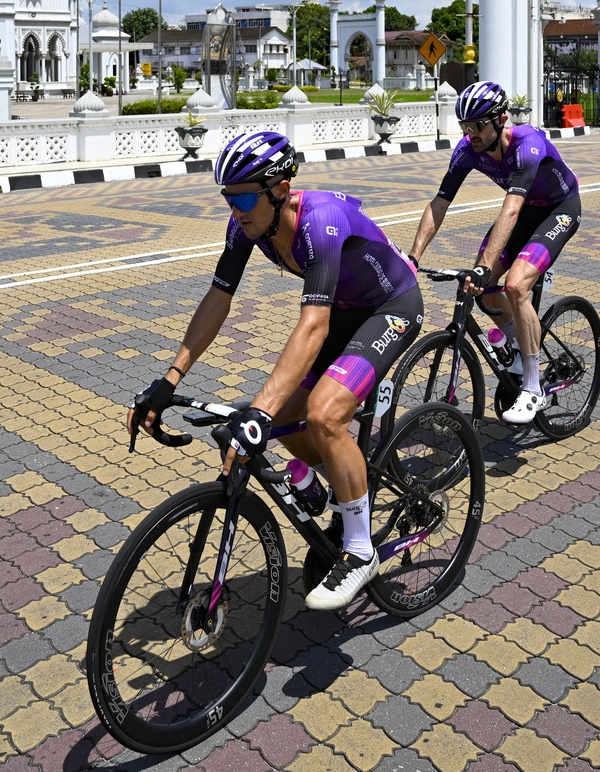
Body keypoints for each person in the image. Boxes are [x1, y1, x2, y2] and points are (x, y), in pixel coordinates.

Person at [128, 130, 423, 612]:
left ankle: (360, 550)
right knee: (284, 414)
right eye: (227, 196)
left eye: (244, 195)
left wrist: (257, 415)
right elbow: (217, 300)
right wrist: (169, 379)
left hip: (389, 305)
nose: (235, 207)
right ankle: (341, 480)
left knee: (324, 415)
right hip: (343, 310)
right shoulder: (247, 225)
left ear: (280, 188)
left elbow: (313, 323)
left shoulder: (320, 221)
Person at [403, 81, 583, 425]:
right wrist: (414, 258)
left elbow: (510, 211)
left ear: (501, 120)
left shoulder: (527, 144)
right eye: (464, 126)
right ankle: (519, 348)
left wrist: (487, 266)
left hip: (558, 209)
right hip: (525, 210)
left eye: (477, 125)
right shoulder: (468, 149)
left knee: (516, 286)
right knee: (479, 286)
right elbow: (440, 203)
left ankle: (534, 389)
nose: (470, 133)